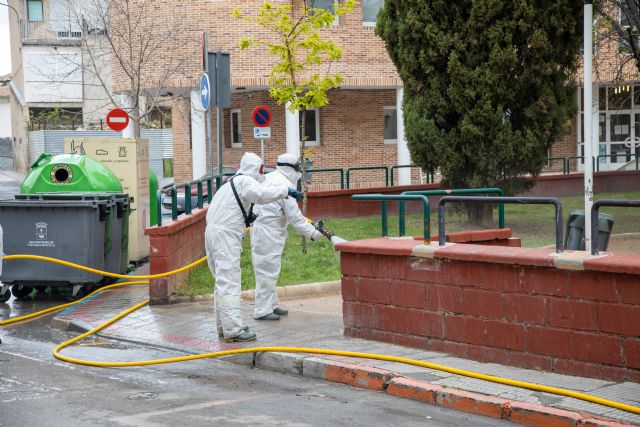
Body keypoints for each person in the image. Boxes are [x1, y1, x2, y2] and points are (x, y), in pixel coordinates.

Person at [205, 152, 303, 342]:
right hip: (225, 235)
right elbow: (260, 195)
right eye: (261, 169)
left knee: (221, 282)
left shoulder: (229, 183)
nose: (262, 173)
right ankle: (234, 330)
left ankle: (223, 326)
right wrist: (285, 191)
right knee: (230, 282)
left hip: (213, 233)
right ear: (255, 168)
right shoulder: (245, 181)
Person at [250, 153, 323, 321]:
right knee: (267, 272)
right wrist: (313, 233)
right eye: (298, 168)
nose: (300, 172)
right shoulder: (282, 184)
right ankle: (262, 310)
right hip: (268, 233)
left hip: (266, 232)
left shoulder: (271, 178)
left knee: (269, 269)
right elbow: (295, 217)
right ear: (290, 168)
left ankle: (272, 305)